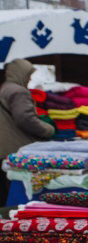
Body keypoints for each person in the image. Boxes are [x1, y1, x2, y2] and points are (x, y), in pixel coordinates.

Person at [0, 59, 54, 205]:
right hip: (14, 149)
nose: (29, 78)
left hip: (4, 148)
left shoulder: (4, 88)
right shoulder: (18, 91)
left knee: (3, 193)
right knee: (14, 191)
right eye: (28, 74)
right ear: (20, 73)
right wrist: (47, 129)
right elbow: (25, 118)